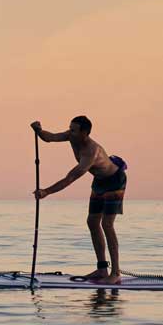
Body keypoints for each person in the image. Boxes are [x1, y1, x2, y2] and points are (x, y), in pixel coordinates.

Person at [31, 115, 128, 281]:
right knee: (92, 222)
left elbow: (71, 177)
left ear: (85, 133)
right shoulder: (70, 136)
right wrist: (39, 130)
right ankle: (102, 269)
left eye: (74, 130)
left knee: (107, 224)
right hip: (99, 181)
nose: (70, 132)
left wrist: (47, 191)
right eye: (70, 128)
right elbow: (51, 137)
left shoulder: (91, 151)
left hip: (114, 181)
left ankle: (116, 273)